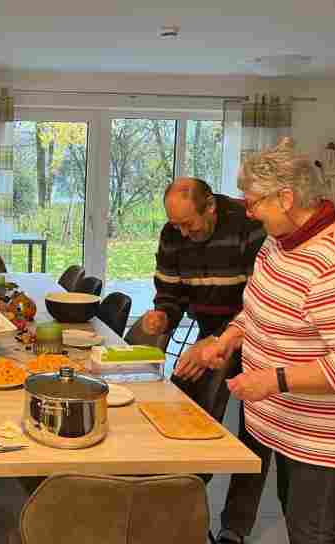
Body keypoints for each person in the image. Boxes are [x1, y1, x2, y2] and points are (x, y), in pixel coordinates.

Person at [180, 138, 335, 544]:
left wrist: (273, 380)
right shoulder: (279, 243)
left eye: (255, 201)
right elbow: (258, 309)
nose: (248, 210)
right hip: (285, 419)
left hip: (326, 432)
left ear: (287, 198)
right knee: (295, 515)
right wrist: (227, 338)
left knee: (311, 531)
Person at [142, 177, 268, 543]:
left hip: (259, 336)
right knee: (187, 413)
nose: (181, 231)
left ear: (210, 206)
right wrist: (163, 315)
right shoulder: (174, 233)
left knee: (255, 436)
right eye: (175, 224)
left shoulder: (250, 227)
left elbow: (260, 303)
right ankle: (181, 509)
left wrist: (220, 341)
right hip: (211, 331)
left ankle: (234, 528)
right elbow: (170, 291)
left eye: (188, 224)